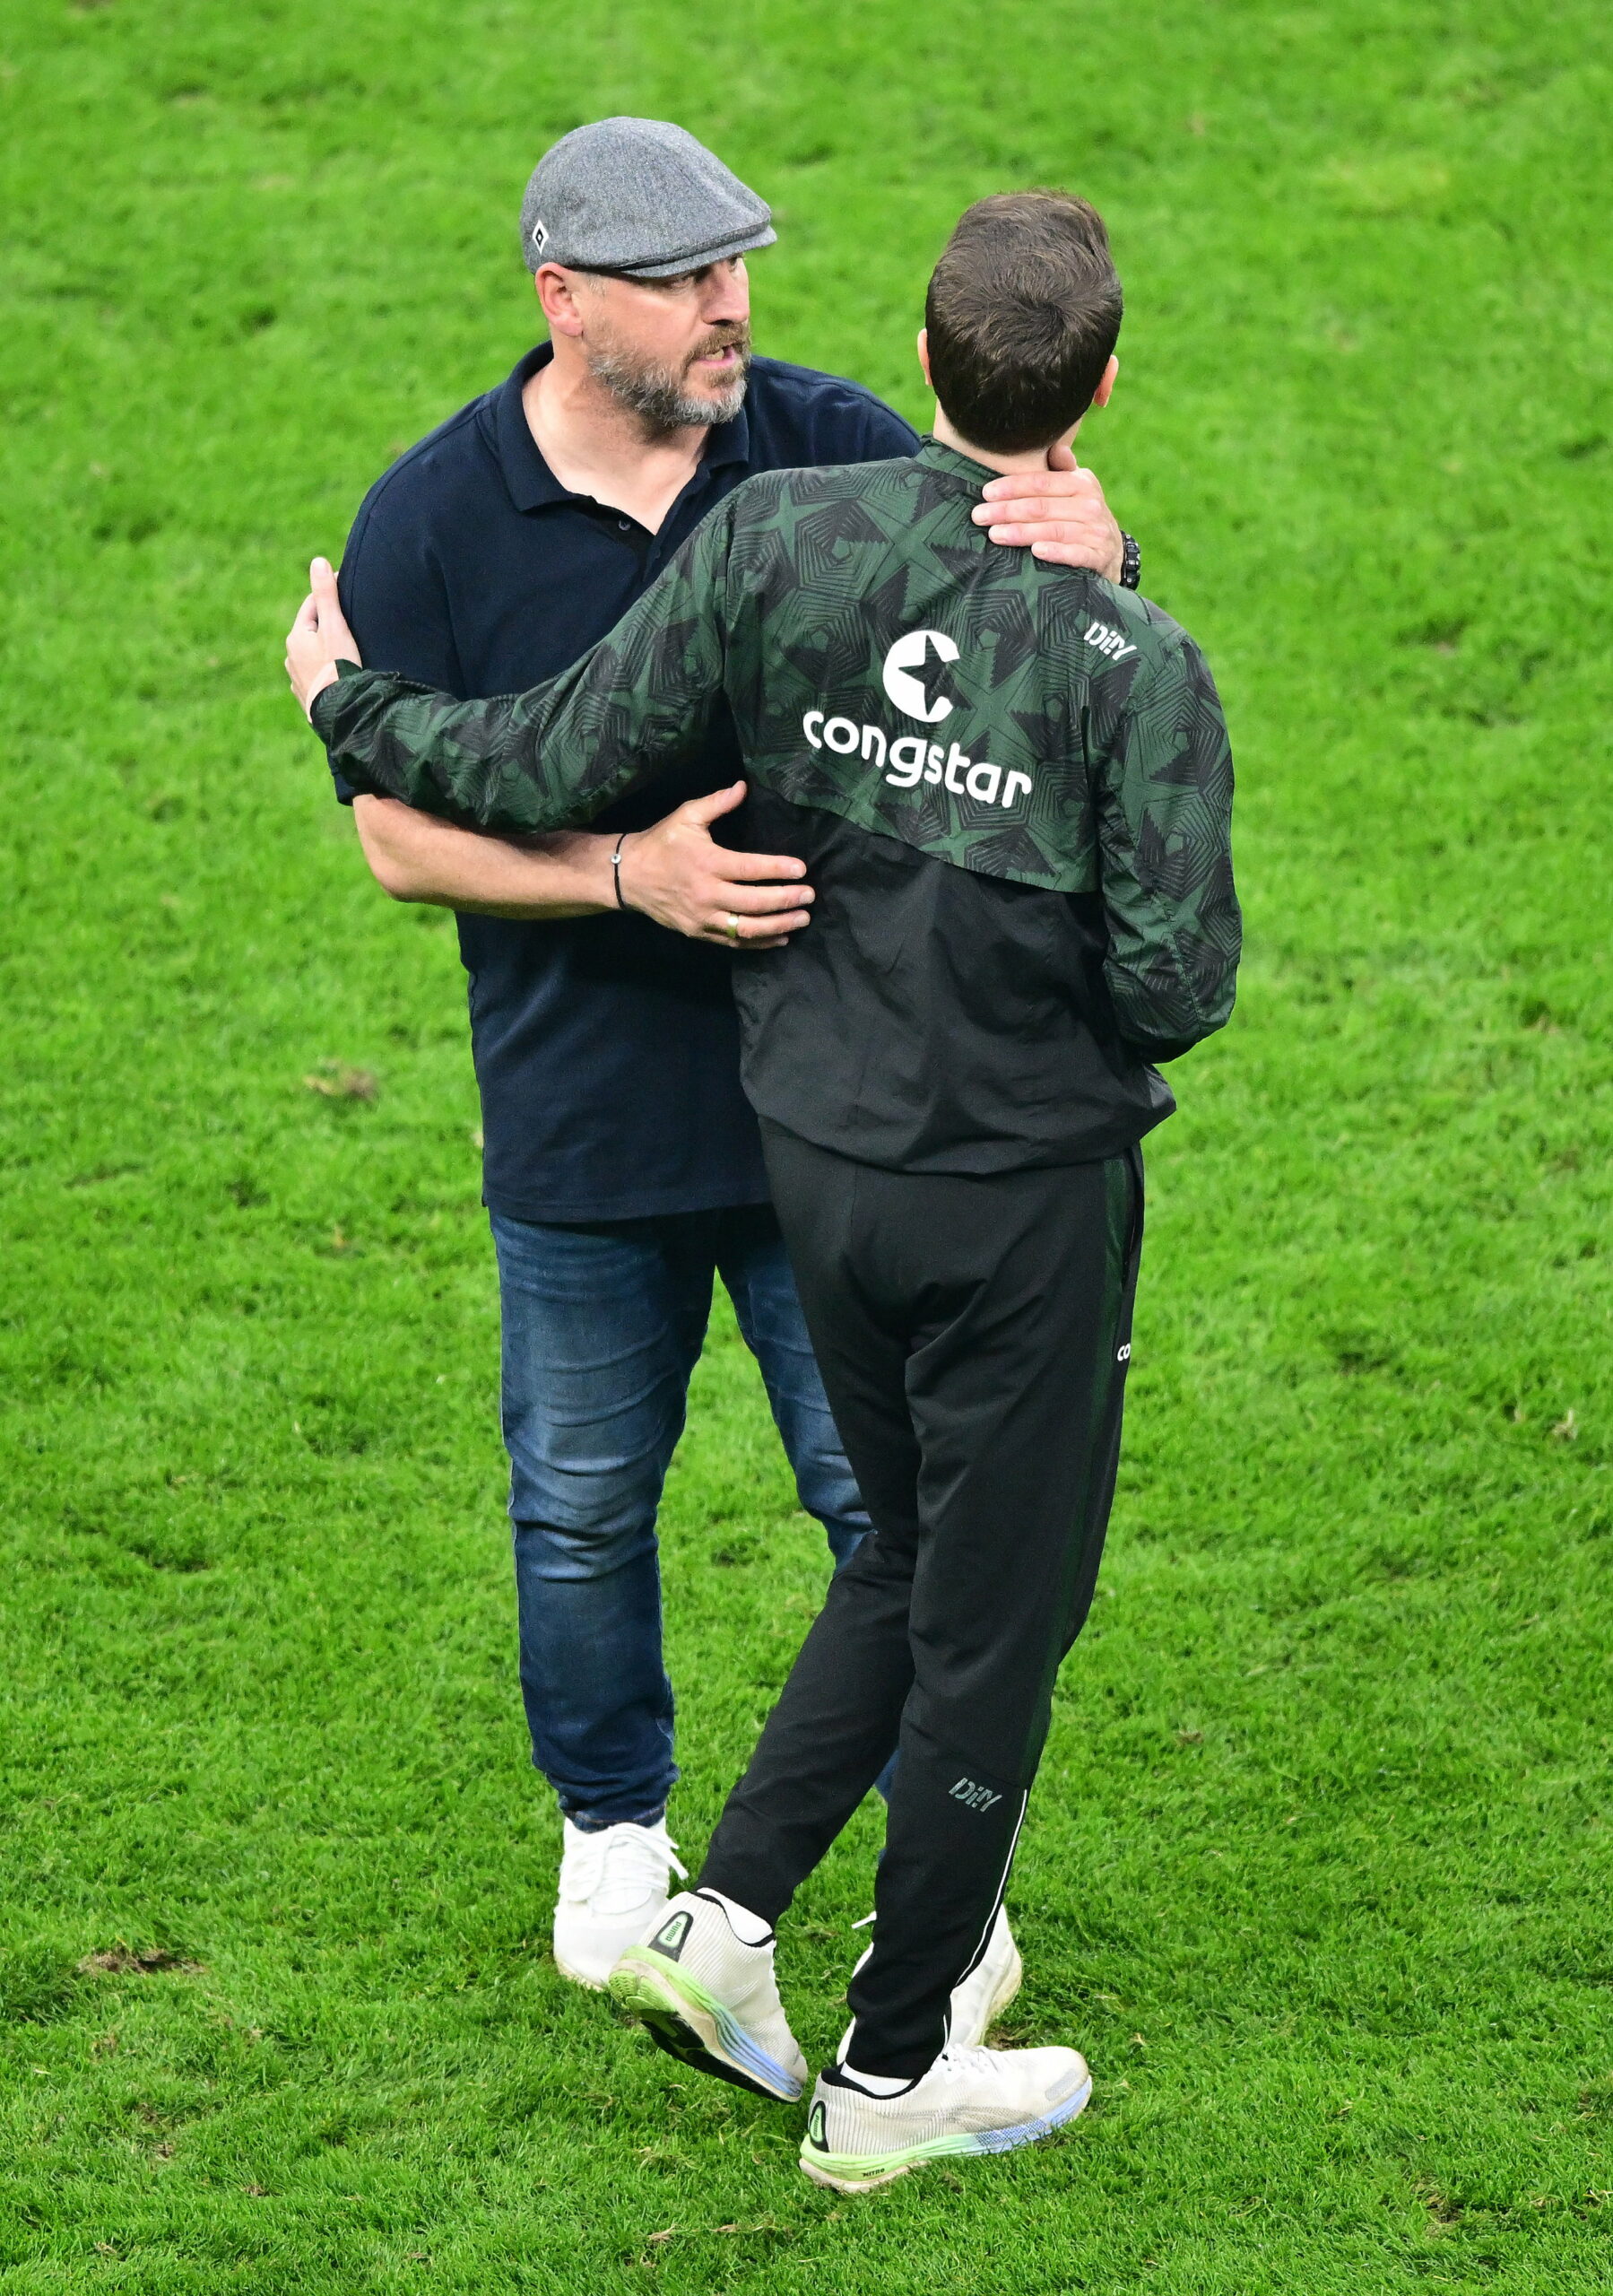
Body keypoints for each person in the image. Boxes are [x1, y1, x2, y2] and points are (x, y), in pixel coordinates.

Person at [292, 186, 1237, 2187]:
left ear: (916, 354)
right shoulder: (1131, 662)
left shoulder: (776, 529)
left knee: (897, 1550)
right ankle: (898, 2079)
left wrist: (347, 707)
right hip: (1010, 1200)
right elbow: (1181, 980)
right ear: (1106, 379)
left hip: (815, 1160)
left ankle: (719, 1926)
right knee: (995, 1618)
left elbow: (547, 752)